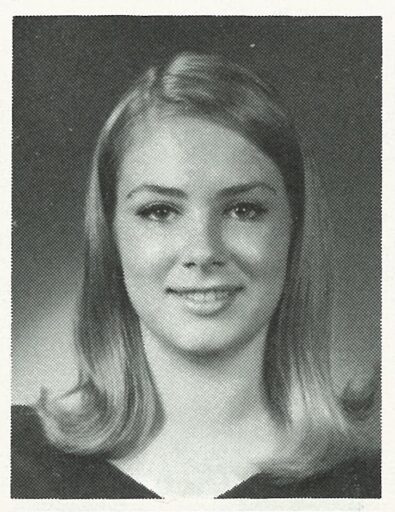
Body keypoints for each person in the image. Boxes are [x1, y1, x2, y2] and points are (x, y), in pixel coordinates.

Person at [11, 52, 380, 499]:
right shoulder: (14, 461)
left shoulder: (370, 484)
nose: (203, 252)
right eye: (160, 211)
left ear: (294, 230)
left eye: (244, 210)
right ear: (109, 237)